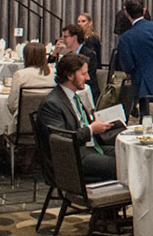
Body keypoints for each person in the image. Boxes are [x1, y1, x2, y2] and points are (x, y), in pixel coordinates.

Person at [35, 52, 121, 182]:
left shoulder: (73, 96)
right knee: (120, 166)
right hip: (71, 158)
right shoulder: (52, 104)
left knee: (128, 156)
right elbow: (61, 140)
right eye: (83, 74)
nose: (88, 78)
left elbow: (80, 123)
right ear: (70, 75)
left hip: (89, 148)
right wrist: (91, 129)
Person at [113, 1, 153, 102]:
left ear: (126, 13)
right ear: (144, 10)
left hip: (145, 84)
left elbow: (128, 67)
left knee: (147, 111)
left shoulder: (126, 38)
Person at [4, 40, 54, 116]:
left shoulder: (20, 75)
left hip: (24, 119)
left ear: (25, 56)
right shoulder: (53, 74)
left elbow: (12, 104)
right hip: (49, 117)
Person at [73, 13, 103, 79]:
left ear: (90, 23)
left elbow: (88, 58)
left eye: (83, 21)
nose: (80, 24)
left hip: (90, 72)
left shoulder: (91, 38)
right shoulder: (82, 38)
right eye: (78, 21)